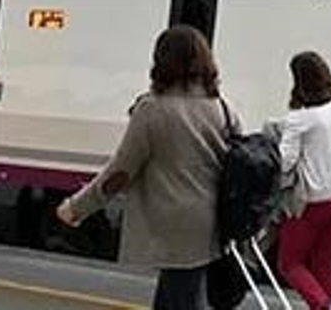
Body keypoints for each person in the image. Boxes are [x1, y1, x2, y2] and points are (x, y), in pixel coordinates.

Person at [55, 26, 236, 310]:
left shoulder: (152, 110)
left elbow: (121, 172)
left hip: (175, 225)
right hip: (211, 222)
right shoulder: (222, 108)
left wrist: (77, 207)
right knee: (177, 298)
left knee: (180, 300)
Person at [277, 51, 331, 310]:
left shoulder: (300, 118)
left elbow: (284, 163)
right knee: (324, 259)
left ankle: (324, 307)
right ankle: (328, 303)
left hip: (314, 202)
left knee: (289, 263)